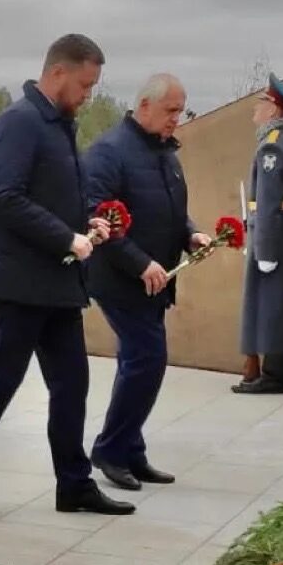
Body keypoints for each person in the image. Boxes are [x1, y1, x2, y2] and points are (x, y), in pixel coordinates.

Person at [0, 34, 130, 520]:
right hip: (20, 283)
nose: (88, 94)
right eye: (85, 84)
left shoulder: (59, 125)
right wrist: (67, 238)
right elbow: (3, 197)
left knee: (71, 383)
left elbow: (54, 197)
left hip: (59, 283)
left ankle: (74, 484)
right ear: (58, 73)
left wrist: (89, 226)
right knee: (1, 379)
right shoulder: (20, 122)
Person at [81, 72, 208, 488]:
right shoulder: (109, 152)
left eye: (182, 110)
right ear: (146, 106)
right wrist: (139, 263)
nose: (178, 119)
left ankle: (130, 452)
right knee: (146, 360)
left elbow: (171, 210)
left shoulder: (164, 152)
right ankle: (111, 450)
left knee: (138, 363)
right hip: (120, 278)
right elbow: (97, 216)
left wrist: (191, 233)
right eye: (172, 110)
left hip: (156, 279)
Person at [234, 73, 283, 395]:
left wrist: (263, 250)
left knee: (274, 304)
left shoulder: (272, 148)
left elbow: (266, 203)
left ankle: (275, 375)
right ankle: (277, 371)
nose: (255, 109)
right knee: (282, 303)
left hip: (273, 232)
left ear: (274, 110)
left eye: (261, 103)